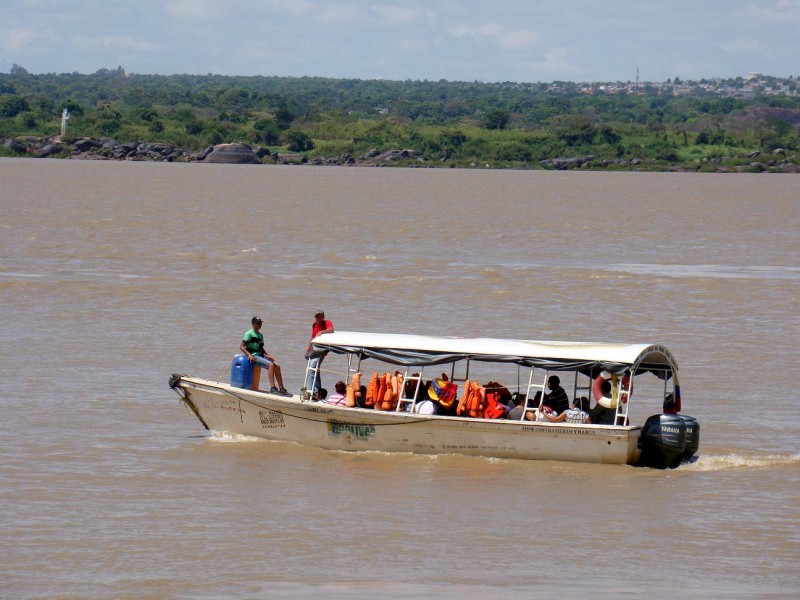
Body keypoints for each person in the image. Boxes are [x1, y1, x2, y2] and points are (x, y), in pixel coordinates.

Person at [240, 316, 290, 396]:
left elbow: (261, 349)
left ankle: (282, 389)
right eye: (258, 323)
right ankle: (273, 388)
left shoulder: (260, 336)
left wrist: (268, 356)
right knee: (270, 365)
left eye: (260, 323)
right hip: (253, 356)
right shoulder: (248, 333)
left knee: (277, 366)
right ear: (253, 324)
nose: (260, 324)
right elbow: (241, 346)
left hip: (259, 355)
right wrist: (249, 355)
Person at [304, 309, 334, 396]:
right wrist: (308, 349)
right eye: (317, 316)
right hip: (313, 349)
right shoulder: (314, 324)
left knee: (311, 368)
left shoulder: (327, 322)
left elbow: (331, 330)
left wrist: (322, 332)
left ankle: (310, 391)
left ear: (323, 317)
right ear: (315, 317)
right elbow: (312, 338)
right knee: (314, 369)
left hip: (321, 349)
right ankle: (317, 391)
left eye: (320, 316)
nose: (319, 318)